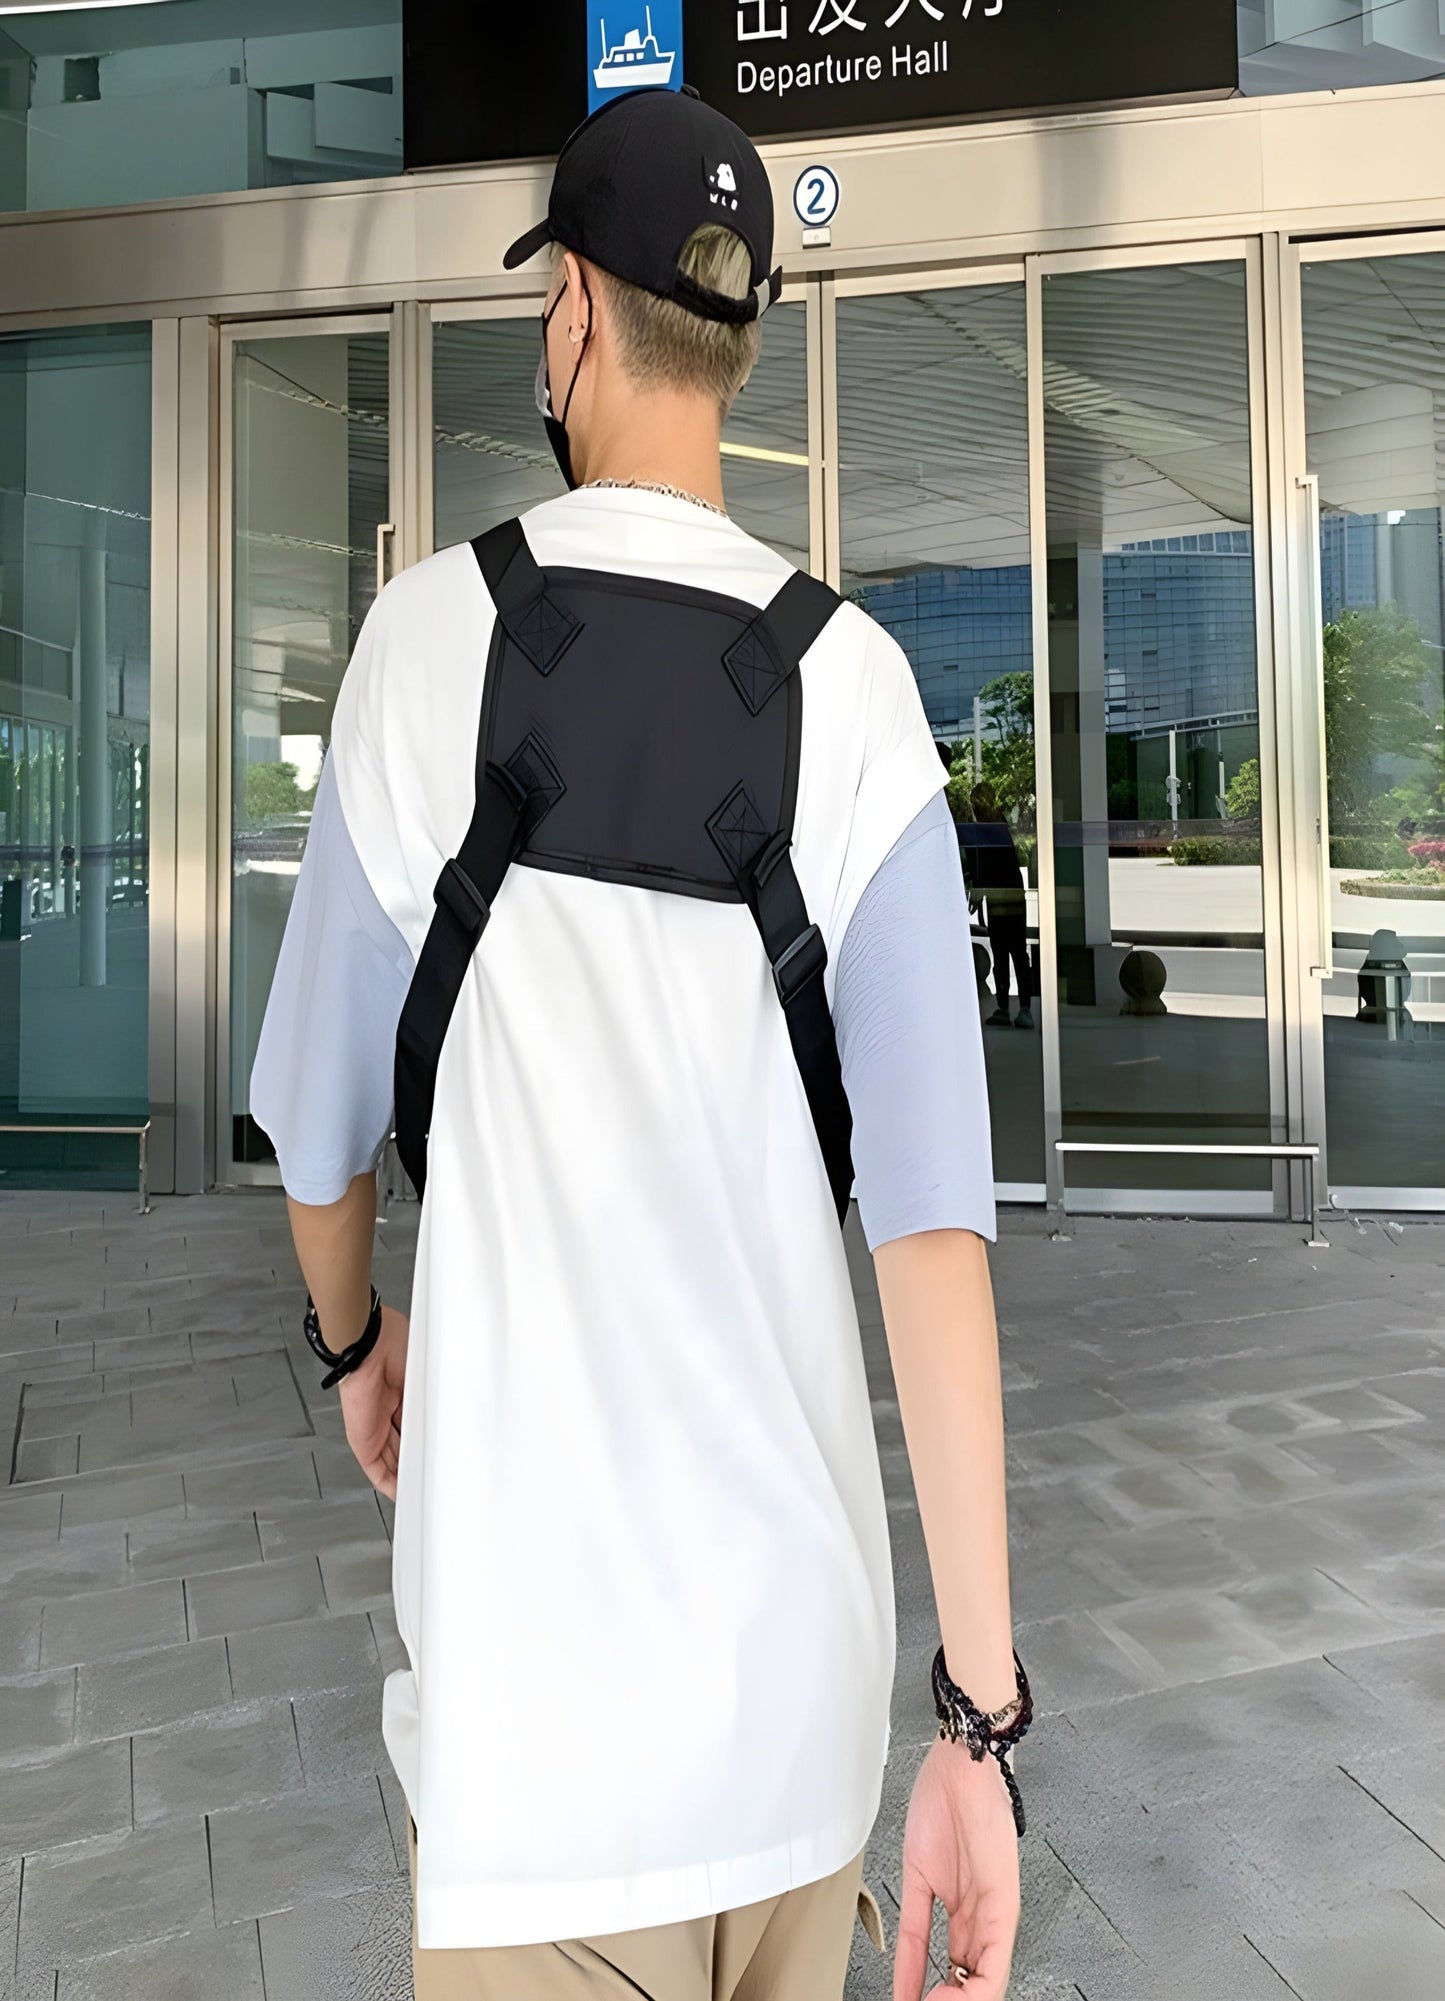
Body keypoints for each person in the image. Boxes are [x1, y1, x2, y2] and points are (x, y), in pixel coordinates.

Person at [251, 85, 1025, 2001]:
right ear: (739, 351)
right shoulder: (857, 695)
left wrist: (359, 1346)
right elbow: (933, 1248)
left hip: (544, 1762)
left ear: (577, 314)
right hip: (797, 1736)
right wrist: (978, 1728)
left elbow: (323, 1142)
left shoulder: (427, 652)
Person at [963, 783, 1033, 1030]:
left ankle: (1014, 1007)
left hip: (1003, 899)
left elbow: (986, 866)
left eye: (975, 803)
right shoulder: (999, 824)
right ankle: (1015, 1007)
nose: (973, 808)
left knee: (1008, 951)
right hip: (1010, 897)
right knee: (1011, 952)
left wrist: (977, 894)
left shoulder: (990, 828)